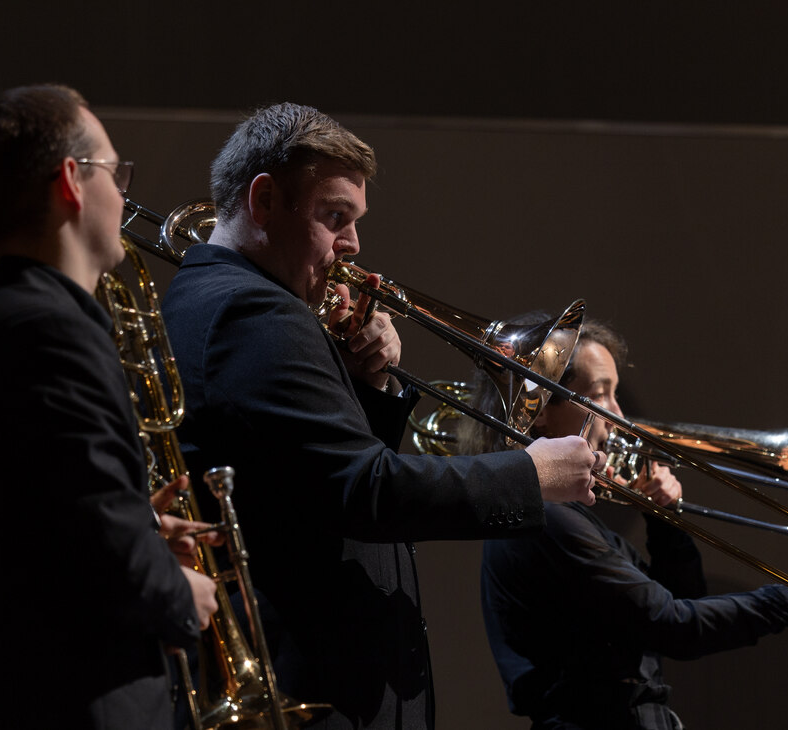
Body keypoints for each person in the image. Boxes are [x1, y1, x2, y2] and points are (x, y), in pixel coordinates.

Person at [159, 102, 600, 729]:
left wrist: (367, 381)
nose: (353, 246)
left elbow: (308, 483)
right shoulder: (254, 313)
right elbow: (364, 489)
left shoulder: (226, 301)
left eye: (355, 220)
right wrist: (530, 475)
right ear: (261, 202)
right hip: (312, 693)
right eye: (334, 217)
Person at [0, 84, 219, 730]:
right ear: (72, 179)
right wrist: (180, 593)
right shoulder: (50, 333)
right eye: (116, 172)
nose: (124, 194)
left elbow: (38, 533)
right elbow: (101, 555)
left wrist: (137, 530)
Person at [470, 321, 788, 730]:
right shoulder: (546, 520)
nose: (618, 415)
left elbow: (682, 600)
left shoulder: (563, 517)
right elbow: (676, 626)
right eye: (599, 395)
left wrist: (664, 520)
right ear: (538, 412)